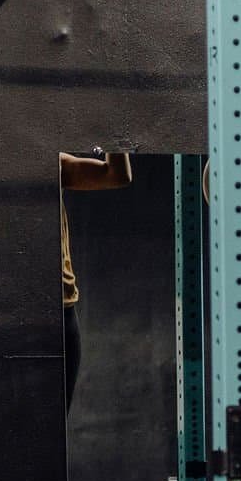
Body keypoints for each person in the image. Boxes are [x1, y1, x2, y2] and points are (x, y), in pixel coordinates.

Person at [60, 150, 135, 409]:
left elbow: (117, 175)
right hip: (5, 313)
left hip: (60, 311)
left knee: (55, 429)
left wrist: (114, 124)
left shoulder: (50, 162)